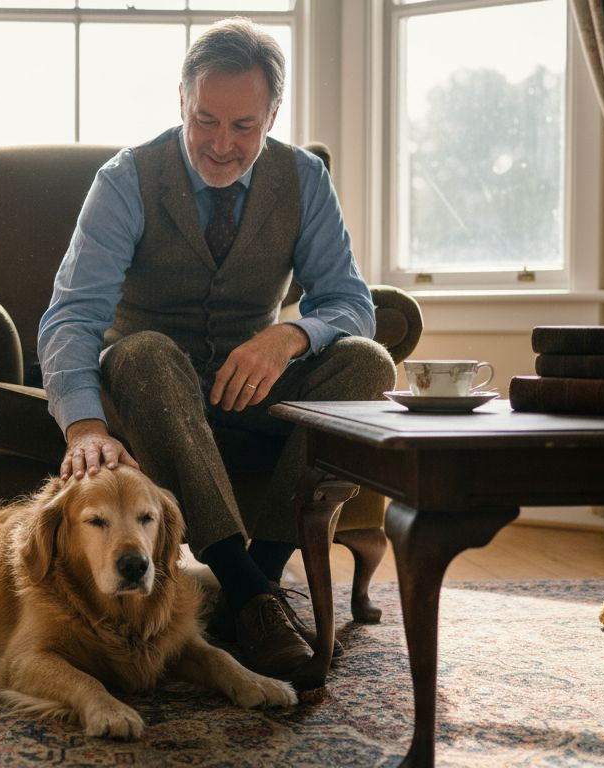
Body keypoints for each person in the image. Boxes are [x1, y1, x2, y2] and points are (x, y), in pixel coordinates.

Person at [36, 17, 393, 679]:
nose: (222, 145)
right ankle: (250, 588)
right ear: (181, 101)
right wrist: (84, 423)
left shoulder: (304, 179)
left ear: (273, 115)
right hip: (148, 386)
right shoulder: (126, 179)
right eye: (206, 120)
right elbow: (72, 315)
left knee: (369, 362)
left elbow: (349, 303)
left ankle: (260, 581)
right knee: (143, 352)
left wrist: (288, 336)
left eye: (244, 127)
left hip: (251, 388)